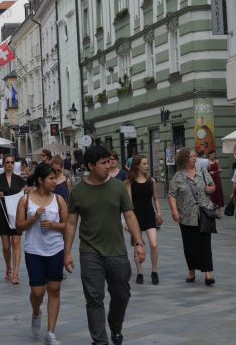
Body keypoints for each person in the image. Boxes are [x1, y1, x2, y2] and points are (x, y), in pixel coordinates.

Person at [64, 145, 145, 345]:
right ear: (90, 165)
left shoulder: (118, 187)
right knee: (94, 298)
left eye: (109, 161)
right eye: (103, 163)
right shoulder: (79, 191)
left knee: (121, 295)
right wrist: (67, 253)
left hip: (116, 251)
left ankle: (115, 327)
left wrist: (139, 243)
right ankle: (100, 340)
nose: (108, 166)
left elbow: (129, 215)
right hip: (90, 252)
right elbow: (72, 223)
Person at [16, 164, 68, 345]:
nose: (55, 182)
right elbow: (19, 226)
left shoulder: (59, 199)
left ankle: (50, 332)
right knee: (37, 291)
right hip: (34, 249)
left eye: (55, 178)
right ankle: (36, 311)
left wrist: (53, 225)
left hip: (55, 249)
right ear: (40, 180)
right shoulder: (25, 200)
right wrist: (34, 218)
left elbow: (68, 225)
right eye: (51, 179)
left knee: (54, 289)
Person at [168, 148, 216, 285]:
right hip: (186, 216)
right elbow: (172, 195)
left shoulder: (203, 172)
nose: (194, 158)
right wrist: (174, 211)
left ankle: (208, 273)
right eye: (191, 156)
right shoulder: (178, 176)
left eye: (195, 156)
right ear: (184, 159)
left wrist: (210, 189)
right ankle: (191, 271)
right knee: (189, 245)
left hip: (204, 214)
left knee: (205, 244)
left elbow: (213, 186)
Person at [124, 155, 162, 285]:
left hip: (150, 215)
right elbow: (128, 203)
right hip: (135, 217)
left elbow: (156, 198)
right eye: (144, 164)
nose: (147, 166)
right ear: (138, 166)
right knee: (138, 245)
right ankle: (139, 272)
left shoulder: (151, 181)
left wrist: (159, 213)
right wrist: (127, 222)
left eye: (147, 163)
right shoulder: (130, 182)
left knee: (154, 244)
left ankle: (154, 271)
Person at [0, 153, 27, 285]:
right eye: (7, 162)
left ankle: (16, 274)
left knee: (16, 244)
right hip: (2, 214)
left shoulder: (19, 179)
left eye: (12, 162)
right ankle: (8, 267)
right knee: (6, 246)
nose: (10, 164)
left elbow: (26, 191)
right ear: (3, 164)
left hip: (17, 214)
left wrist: (27, 192)